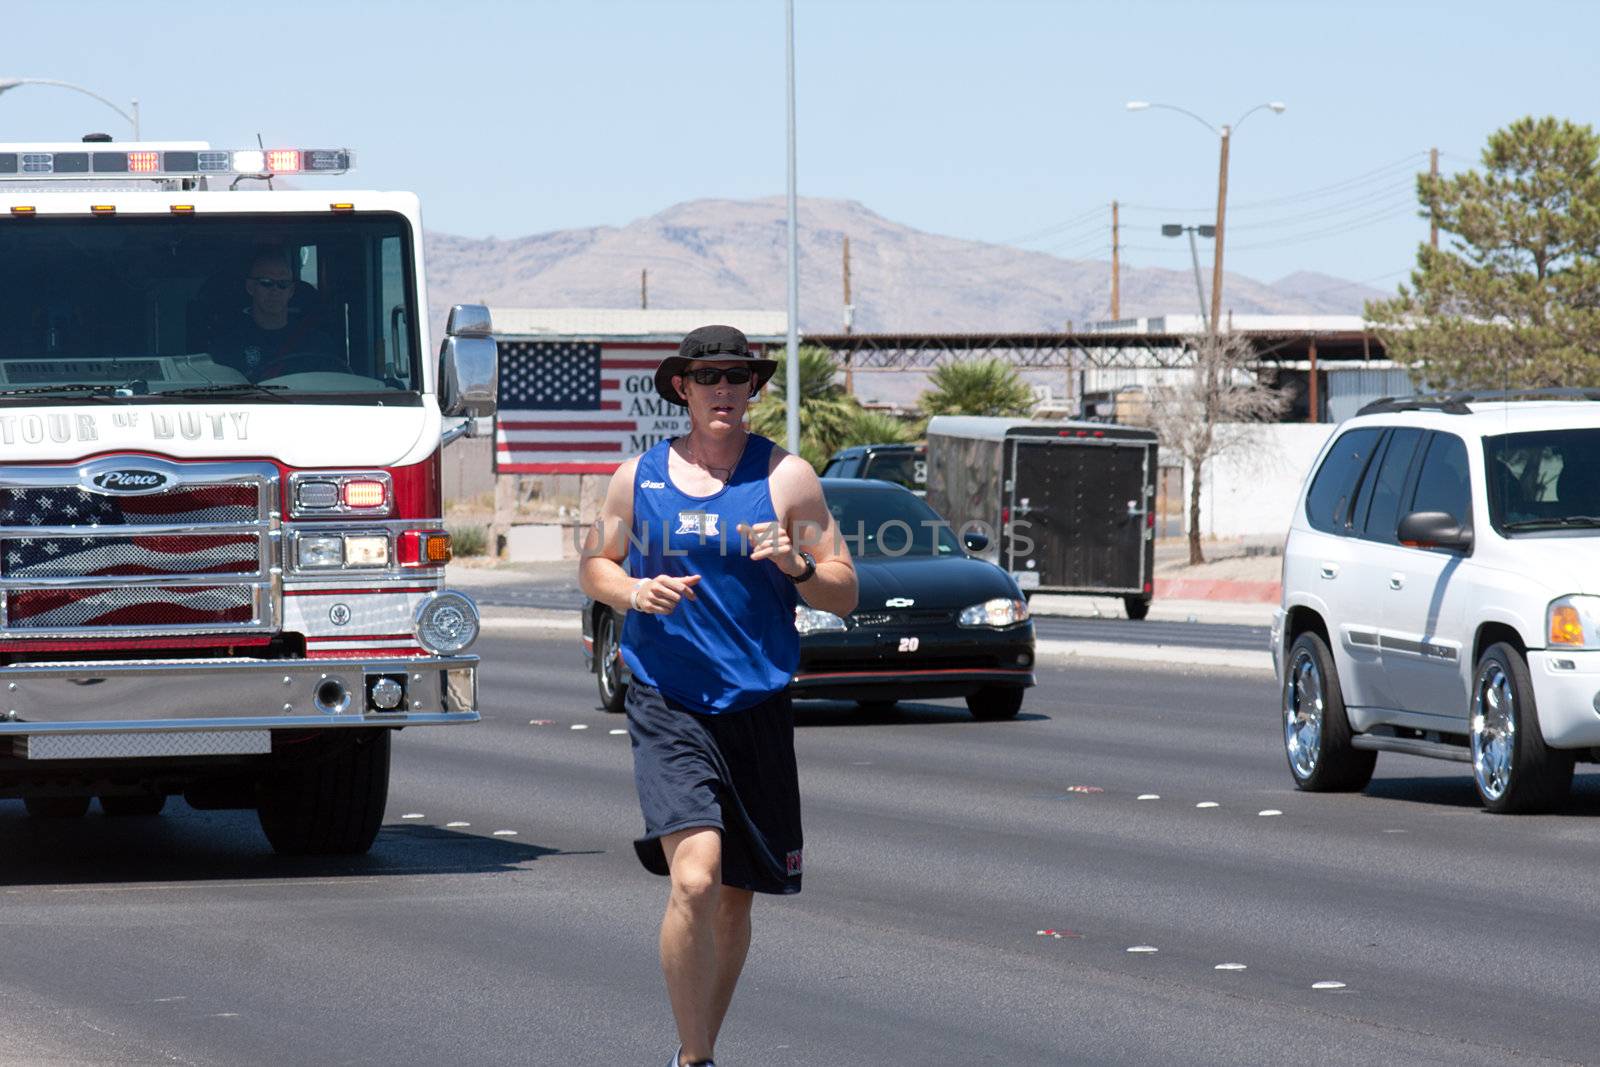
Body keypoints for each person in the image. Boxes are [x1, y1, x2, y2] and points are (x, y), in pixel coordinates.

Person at [579, 324, 858, 1067]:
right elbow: (594, 567)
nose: (724, 391)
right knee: (697, 875)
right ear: (682, 387)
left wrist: (798, 564)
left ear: (752, 387)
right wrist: (636, 589)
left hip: (758, 703)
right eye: (709, 379)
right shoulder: (639, 477)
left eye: (737, 378)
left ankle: (697, 1044)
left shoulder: (786, 477)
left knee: (736, 896)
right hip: (668, 698)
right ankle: (696, 1058)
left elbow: (847, 588)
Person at [209, 245, 339, 380]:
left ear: (291, 291)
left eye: (283, 283)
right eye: (266, 282)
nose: (275, 290)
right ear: (250, 287)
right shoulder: (228, 345)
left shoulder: (317, 344)